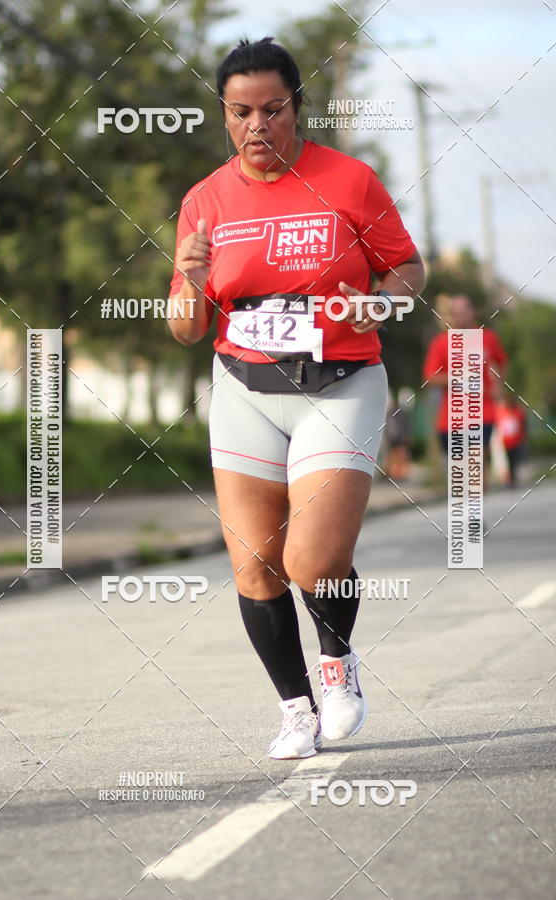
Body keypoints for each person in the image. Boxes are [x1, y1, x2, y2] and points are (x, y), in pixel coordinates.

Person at [168, 37, 425, 759]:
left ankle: (338, 668)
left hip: (340, 384)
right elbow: (187, 330)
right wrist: (188, 279)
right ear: (224, 115)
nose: (257, 126)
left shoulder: (347, 181)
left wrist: (381, 304)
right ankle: (296, 710)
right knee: (255, 562)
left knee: (313, 560)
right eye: (241, 112)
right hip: (245, 387)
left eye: (272, 110)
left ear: (297, 109)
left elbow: (408, 267)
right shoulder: (204, 201)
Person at [423, 294, 508, 477]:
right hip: (451, 418)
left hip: (482, 412)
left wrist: (498, 385)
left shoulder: (488, 338)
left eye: (463, 311)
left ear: (472, 312)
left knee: (476, 463)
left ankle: (478, 500)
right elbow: (430, 377)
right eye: (456, 312)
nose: (460, 316)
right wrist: (459, 377)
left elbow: (502, 361)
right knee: (460, 473)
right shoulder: (441, 343)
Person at [496, 393, 526, 487]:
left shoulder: (517, 411)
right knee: (507, 461)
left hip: (516, 441)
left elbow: (522, 424)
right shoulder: (501, 412)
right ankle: (508, 479)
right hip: (504, 442)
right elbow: (498, 426)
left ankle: (513, 478)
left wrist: (522, 437)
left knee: (514, 460)